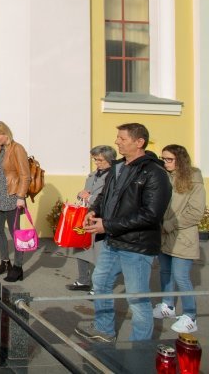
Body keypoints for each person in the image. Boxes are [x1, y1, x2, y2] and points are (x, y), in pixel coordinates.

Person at [75, 123, 171, 343]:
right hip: (112, 241)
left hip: (137, 246)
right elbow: (104, 196)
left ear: (139, 142)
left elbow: (151, 214)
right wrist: (93, 210)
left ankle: (140, 347)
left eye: (122, 138)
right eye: (117, 137)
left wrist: (108, 225)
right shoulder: (118, 167)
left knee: (137, 299)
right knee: (100, 282)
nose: (117, 141)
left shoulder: (155, 173)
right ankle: (104, 330)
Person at [153, 144, 206, 334]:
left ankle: (190, 316)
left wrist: (169, 225)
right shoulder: (165, 176)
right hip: (164, 236)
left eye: (169, 159)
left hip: (183, 236)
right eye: (163, 159)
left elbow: (196, 211)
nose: (165, 162)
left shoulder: (193, 178)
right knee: (165, 272)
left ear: (180, 160)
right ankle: (168, 305)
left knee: (181, 276)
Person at [0, 121, 31, 282]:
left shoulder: (18, 149)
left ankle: (18, 267)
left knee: (15, 233)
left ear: (5, 134)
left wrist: (21, 197)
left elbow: (25, 175)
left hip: (13, 195)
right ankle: (5, 262)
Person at [66, 145, 117, 292]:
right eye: (95, 159)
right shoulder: (93, 175)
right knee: (80, 247)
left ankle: (98, 285)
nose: (97, 162)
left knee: (99, 253)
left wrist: (90, 197)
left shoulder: (113, 177)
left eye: (100, 160)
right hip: (86, 215)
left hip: (101, 218)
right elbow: (85, 194)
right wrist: (81, 194)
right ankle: (83, 280)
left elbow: (109, 199)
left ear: (109, 160)